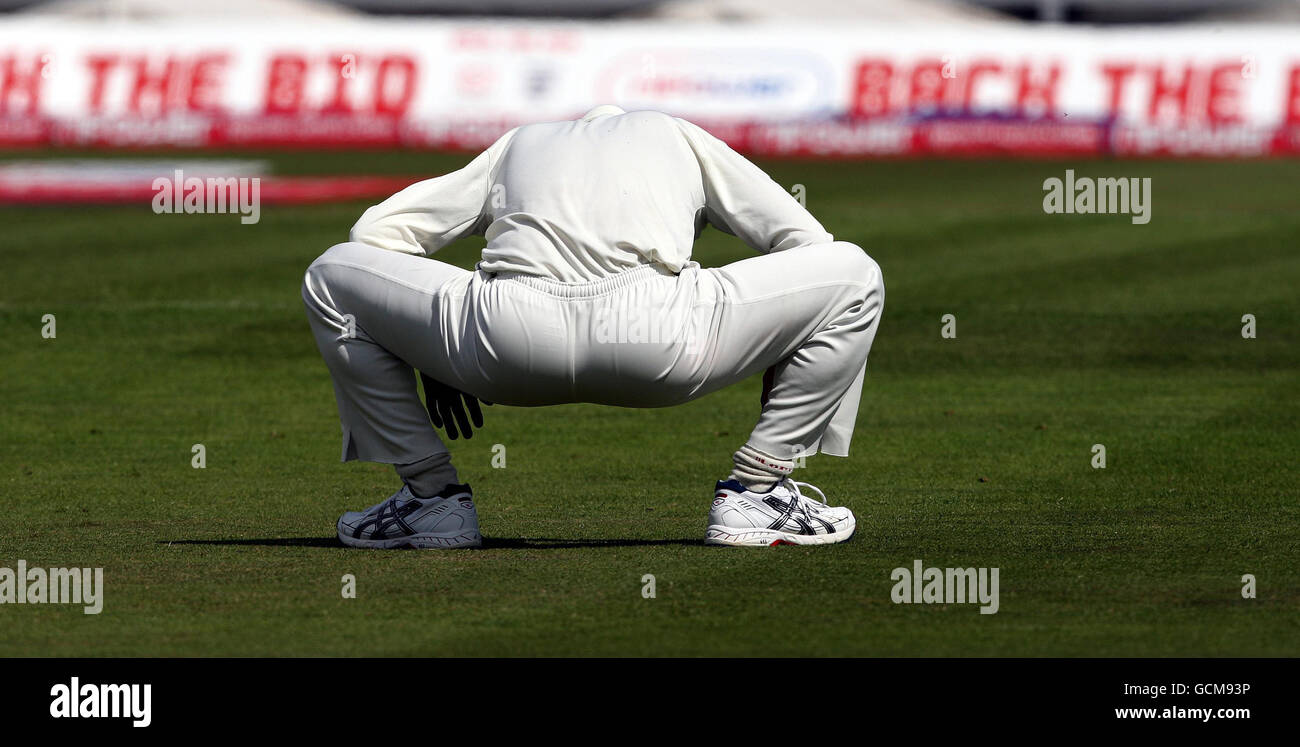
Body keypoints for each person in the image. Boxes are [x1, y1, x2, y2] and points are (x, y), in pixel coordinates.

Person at [302, 105, 884, 549]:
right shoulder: (673, 132)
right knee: (856, 276)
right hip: (657, 341)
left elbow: (374, 234)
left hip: (503, 344)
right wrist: (779, 348)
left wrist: (430, 345)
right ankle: (757, 491)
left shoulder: (521, 143)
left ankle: (432, 498)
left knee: (329, 275)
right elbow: (806, 242)